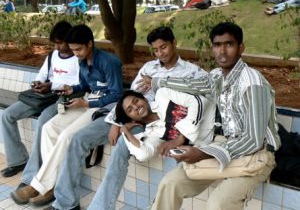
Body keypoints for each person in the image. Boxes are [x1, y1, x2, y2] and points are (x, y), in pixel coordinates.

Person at [47, 26, 207, 210]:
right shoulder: (149, 67)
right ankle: (65, 203)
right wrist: (117, 122)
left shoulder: (192, 72)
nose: (160, 53)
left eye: (163, 47)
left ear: (174, 43)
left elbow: (202, 100)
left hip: (156, 124)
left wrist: (181, 135)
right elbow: (129, 96)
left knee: (122, 147)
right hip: (129, 116)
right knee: (77, 139)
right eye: (155, 50)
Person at [145, 22, 281, 210]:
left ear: (241, 47)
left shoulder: (253, 84)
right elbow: (192, 85)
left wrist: (201, 153)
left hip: (256, 154)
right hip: (221, 144)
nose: (222, 51)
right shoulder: (217, 76)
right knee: (169, 184)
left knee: (217, 205)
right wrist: (157, 81)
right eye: (217, 45)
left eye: (229, 44)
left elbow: (253, 140)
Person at [10, 24, 123, 207]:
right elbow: (86, 86)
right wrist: (72, 89)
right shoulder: (82, 60)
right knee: (49, 128)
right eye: (73, 50)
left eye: (79, 49)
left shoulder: (109, 62)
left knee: (66, 136)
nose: (76, 53)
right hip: (88, 100)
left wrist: (87, 103)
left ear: (90, 43)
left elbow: (117, 94)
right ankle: (51, 185)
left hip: (105, 106)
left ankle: (38, 186)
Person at [0, 21, 79, 179]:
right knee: (7, 115)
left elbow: (79, 84)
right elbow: (43, 74)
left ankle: (35, 172)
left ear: (69, 40)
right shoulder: (53, 55)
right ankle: (17, 160)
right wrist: (38, 83)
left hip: (64, 98)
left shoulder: (78, 58)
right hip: (44, 96)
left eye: (60, 43)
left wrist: (53, 85)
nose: (57, 47)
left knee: (43, 122)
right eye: (55, 44)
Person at [114, 88, 215, 162]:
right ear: (131, 120)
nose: (135, 107)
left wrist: (181, 138)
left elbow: (199, 101)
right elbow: (143, 155)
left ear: (144, 99)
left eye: (136, 101)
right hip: (216, 141)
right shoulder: (153, 134)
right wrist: (125, 132)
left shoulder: (163, 95)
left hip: (222, 116)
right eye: (130, 110)